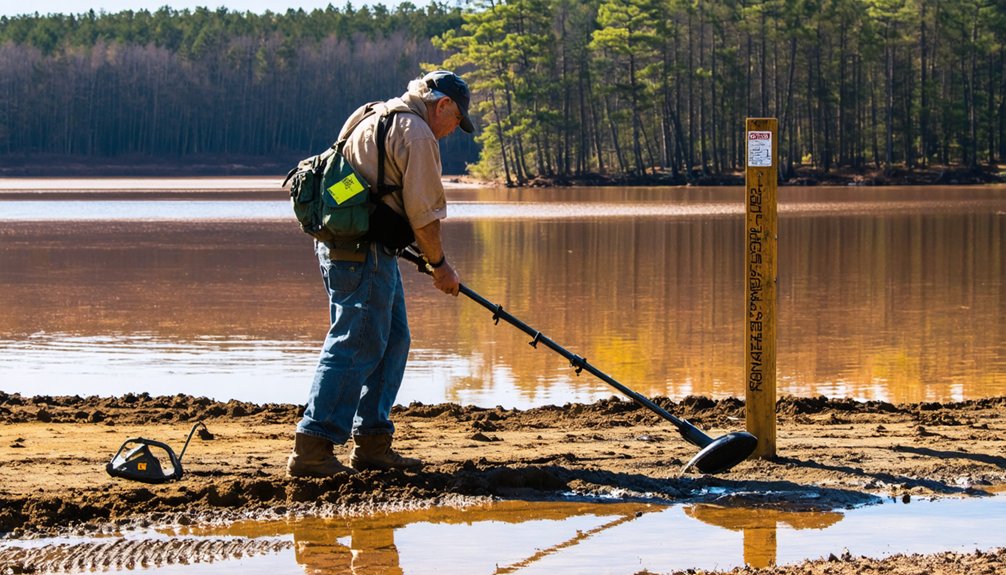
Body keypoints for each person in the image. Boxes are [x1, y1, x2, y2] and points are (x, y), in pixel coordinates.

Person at [287, 70, 473, 477]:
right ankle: (314, 446)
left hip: (348, 244)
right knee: (356, 342)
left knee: (391, 339)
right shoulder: (417, 132)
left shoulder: (372, 113)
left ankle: (372, 442)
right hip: (361, 252)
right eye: (457, 119)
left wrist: (413, 249)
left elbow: (366, 188)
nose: (454, 129)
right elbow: (425, 217)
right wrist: (441, 267)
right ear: (442, 105)